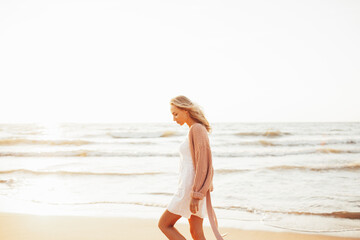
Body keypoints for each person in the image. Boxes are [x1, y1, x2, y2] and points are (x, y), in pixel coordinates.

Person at [158, 96, 224, 240]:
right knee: (196, 232)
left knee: (164, 224)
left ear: (186, 111)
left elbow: (203, 164)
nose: (174, 119)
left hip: (190, 189)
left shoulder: (197, 129)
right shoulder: (194, 129)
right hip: (193, 188)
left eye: (176, 114)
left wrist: (196, 194)